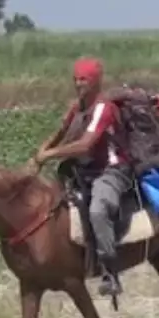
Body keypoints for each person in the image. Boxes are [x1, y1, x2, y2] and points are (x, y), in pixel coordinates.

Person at [28, 56, 132, 297]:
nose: (78, 84)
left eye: (84, 80)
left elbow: (85, 146)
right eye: (75, 79)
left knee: (97, 209)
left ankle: (110, 271)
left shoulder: (103, 108)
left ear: (95, 82)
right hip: (85, 170)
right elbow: (60, 132)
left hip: (113, 171)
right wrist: (37, 157)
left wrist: (50, 155)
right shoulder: (78, 107)